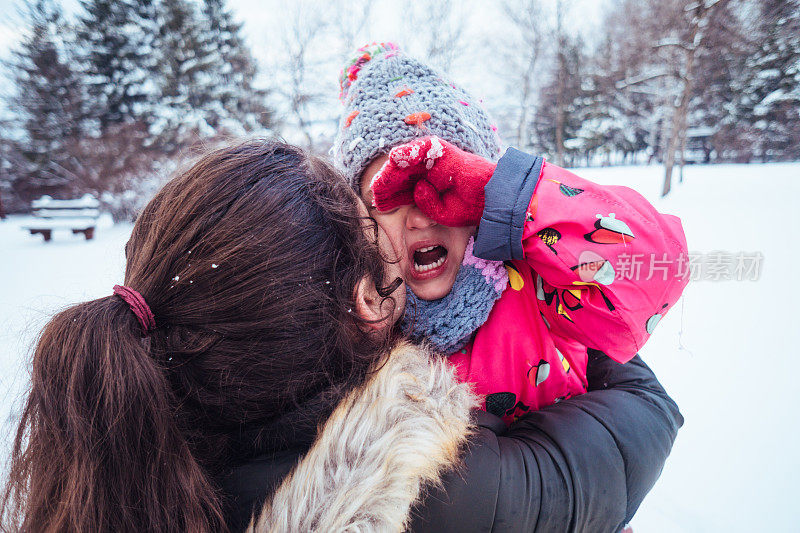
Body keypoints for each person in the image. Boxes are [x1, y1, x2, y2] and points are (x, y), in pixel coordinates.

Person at [1, 140, 682, 533]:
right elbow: (643, 416)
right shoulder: (426, 488)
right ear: (357, 309)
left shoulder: (111, 452)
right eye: (374, 222)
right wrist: (523, 254)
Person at [332, 43, 689, 422]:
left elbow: (656, 268)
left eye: (439, 183)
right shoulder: (354, 324)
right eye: (390, 196)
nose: (419, 218)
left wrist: (514, 199)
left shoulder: (538, 279)